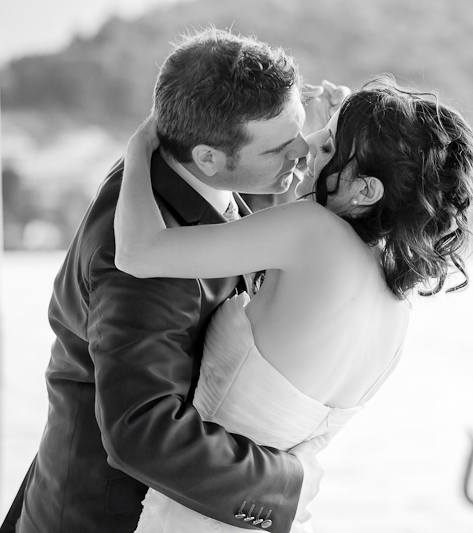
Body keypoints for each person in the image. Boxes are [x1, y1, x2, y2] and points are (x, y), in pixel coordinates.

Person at [0, 28, 345, 533]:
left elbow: (242, 213)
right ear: (208, 157)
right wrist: (285, 483)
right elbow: (139, 430)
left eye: (298, 133)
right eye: (278, 150)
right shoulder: (142, 264)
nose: (299, 152)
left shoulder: (182, 165)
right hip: (105, 518)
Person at [114, 76, 473, 533]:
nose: (308, 145)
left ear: (367, 192)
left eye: (328, 145)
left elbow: (138, 252)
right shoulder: (394, 309)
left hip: (191, 516)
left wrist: (137, 149)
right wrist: (341, 139)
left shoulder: (311, 233)